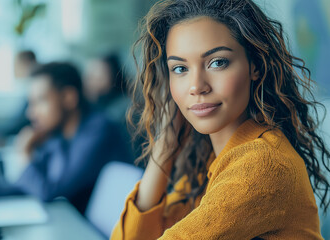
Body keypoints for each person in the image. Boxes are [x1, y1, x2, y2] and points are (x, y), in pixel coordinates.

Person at [111, 0, 330, 239]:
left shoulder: (261, 166)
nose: (196, 87)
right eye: (180, 68)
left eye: (217, 62)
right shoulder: (209, 158)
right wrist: (165, 144)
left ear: (255, 65)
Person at [0, 62, 133, 214]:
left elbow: (50, 192)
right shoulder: (59, 134)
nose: (31, 113)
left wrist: (25, 154)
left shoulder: (98, 131)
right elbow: (31, 182)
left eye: (40, 101)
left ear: (69, 97)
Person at [83, 53, 131, 124]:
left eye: (95, 75)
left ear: (113, 76)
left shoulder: (124, 109)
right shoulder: (96, 106)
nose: (88, 80)